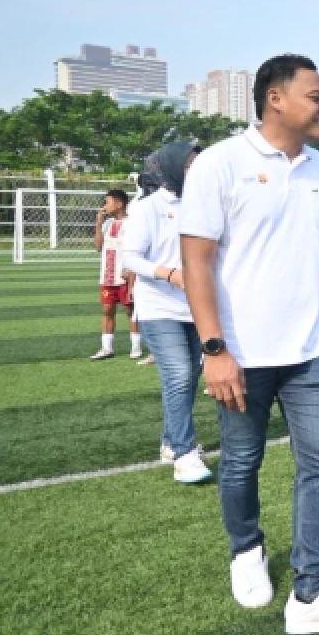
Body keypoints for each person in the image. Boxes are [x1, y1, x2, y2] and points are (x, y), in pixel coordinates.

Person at [179, 53, 319, 635]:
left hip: (315, 349)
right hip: (241, 352)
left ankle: (312, 591)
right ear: (275, 98)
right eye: (316, 96)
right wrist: (214, 349)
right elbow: (195, 262)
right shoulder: (221, 164)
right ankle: (247, 549)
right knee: (241, 461)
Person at [122, 142, 211, 483]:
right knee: (178, 374)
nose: (197, 172)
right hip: (159, 305)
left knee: (190, 375)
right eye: (191, 165)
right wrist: (170, 274)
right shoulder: (148, 208)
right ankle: (185, 454)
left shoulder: (205, 206)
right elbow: (130, 258)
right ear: (173, 167)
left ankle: (170, 441)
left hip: (197, 306)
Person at [91, 189, 143, 360]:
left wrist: (132, 275)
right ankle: (107, 348)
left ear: (119, 204)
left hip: (125, 276)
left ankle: (136, 346)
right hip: (107, 276)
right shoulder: (107, 224)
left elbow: (137, 251)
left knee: (130, 310)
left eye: (107, 202)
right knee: (107, 309)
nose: (105, 206)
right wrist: (98, 224)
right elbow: (98, 247)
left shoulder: (132, 224)